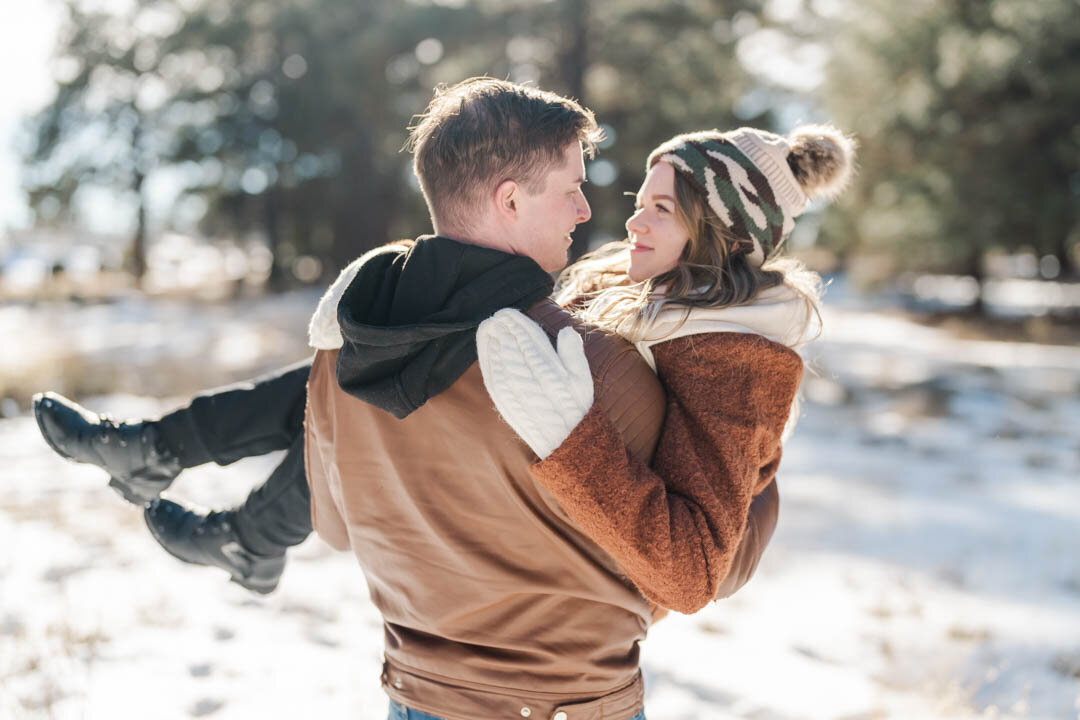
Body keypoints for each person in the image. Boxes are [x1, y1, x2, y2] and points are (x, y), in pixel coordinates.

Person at [33, 77, 853, 719]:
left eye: (659, 207)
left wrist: (571, 437)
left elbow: (693, 566)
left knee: (394, 358)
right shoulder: (620, 289)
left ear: (724, 235)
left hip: (562, 681)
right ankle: (198, 484)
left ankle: (207, 495)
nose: (612, 214)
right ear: (507, 199)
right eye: (634, 194)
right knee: (388, 359)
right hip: (456, 685)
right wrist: (361, 334)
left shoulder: (734, 354)